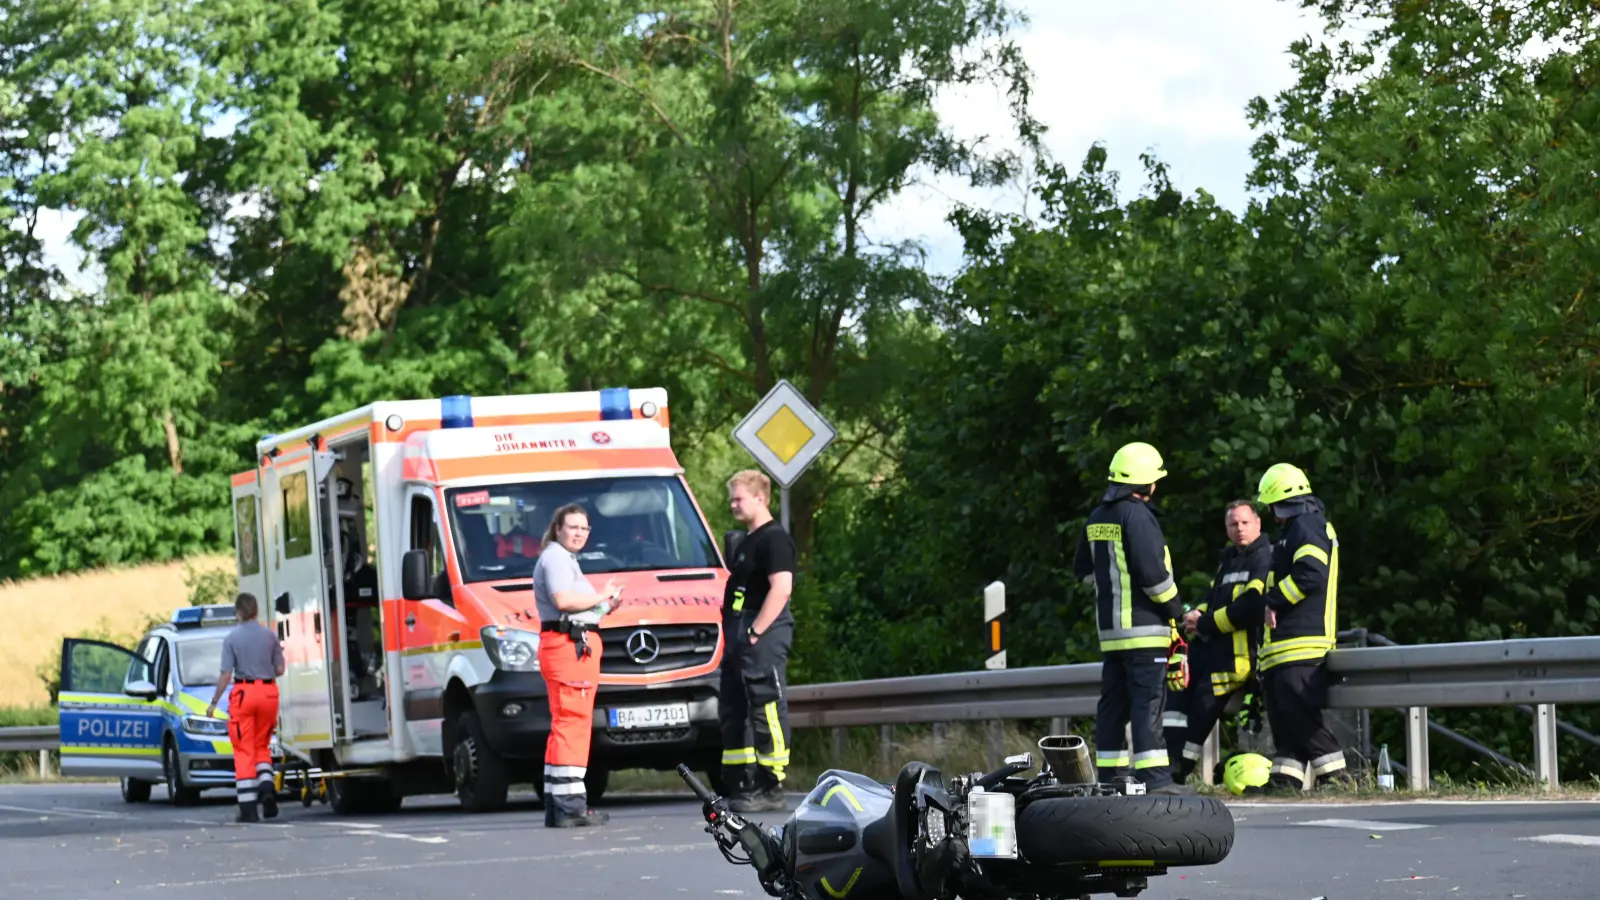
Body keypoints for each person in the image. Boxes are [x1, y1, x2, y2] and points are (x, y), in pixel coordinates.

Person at [1187, 463, 1351, 792]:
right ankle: (1284, 780)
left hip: (1302, 640)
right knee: (1282, 714)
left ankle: (1338, 777)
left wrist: (1275, 601)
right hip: (1281, 645)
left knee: (1297, 709)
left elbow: (1311, 573)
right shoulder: (1296, 528)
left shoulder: (1307, 526)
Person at [1073, 442, 1190, 795]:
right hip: (1145, 630)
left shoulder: (1096, 517)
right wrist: (1177, 613)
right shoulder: (1138, 517)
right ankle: (1155, 779)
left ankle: (1111, 779)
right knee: (1147, 703)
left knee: (1113, 705)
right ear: (1148, 484)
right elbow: (1153, 575)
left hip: (1111, 633)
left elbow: (1083, 571)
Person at [1165, 499, 1271, 782]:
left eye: (1245, 523)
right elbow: (1210, 594)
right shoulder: (1230, 559)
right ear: (1226, 528)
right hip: (1212, 650)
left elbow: (1251, 607)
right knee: (1176, 689)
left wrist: (1205, 622)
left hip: (1239, 658)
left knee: (1201, 706)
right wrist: (1197, 610)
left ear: (1258, 524)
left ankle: (1179, 772)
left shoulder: (1264, 557)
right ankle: (1168, 762)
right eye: (1233, 524)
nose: (1239, 529)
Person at [532, 502, 622, 827]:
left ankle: (560, 804)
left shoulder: (563, 558)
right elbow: (564, 601)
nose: (579, 533)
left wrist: (605, 608)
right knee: (572, 725)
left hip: (570, 645)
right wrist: (601, 597)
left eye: (584, 528)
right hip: (568, 649)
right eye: (573, 527)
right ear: (558, 529)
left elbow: (576, 612)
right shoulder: (556, 557)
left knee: (566, 725)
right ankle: (570, 807)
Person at [719, 469, 797, 813]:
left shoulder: (774, 539)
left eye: (739, 498)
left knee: (766, 709)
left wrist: (755, 632)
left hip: (761, 636)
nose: (733, 504)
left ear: (761, 497)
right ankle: (743, 784)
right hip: (739, 637)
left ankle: (771, 782)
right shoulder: (746, 540)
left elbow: (781, 589)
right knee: (735, 711)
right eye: (732, 498)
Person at [205, 592, 285, 823]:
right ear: (256, 610)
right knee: (262, 745)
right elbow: (280, 669)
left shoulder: (232, 639)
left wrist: (214, 702)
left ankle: (248, 808)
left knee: (243, 750)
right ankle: (267, 788)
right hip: (269, 693)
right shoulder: (270, 636)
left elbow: (226, 674)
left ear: (238, 612)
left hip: (245, 694)